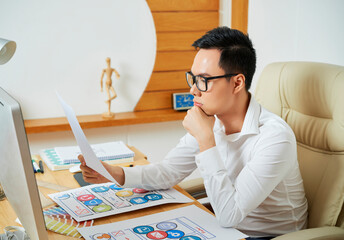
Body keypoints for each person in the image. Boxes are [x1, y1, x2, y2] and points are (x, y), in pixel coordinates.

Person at [79, 27, 308, 239]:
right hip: (222, 229)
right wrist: (117, 174)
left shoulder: (275, 137)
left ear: (237, 83)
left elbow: (229, 216)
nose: (193, 89)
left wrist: (206, 140)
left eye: (204, 80)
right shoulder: (211, 118)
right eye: (193, 77)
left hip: (265, 236)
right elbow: (168, 172)